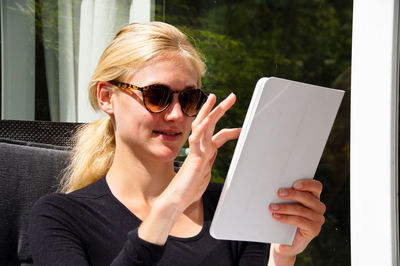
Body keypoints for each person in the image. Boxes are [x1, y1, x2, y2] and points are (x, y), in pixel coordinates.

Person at [29, 22, 326, 266]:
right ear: (107, 97)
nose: (175, 115)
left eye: (188, 99)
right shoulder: (60, 217)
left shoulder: (228, 208)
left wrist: (282, 255)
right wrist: (171, 203)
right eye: (155, 96)